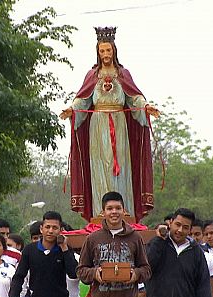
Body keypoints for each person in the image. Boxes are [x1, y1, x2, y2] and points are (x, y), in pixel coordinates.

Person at [61, 26, 159, 221]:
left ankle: (125, 210)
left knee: (120, 166)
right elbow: (83, 99)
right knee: (99, 167)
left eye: (109, 50)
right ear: (98, 52)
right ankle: (100, 210)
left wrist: (146, 106)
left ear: (114, 51)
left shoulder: (123, 74)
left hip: (119, 124)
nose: (106, 54)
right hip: (97, 126)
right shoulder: (92, 75)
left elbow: (134, 98)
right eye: (102, 51)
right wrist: (72, 109)